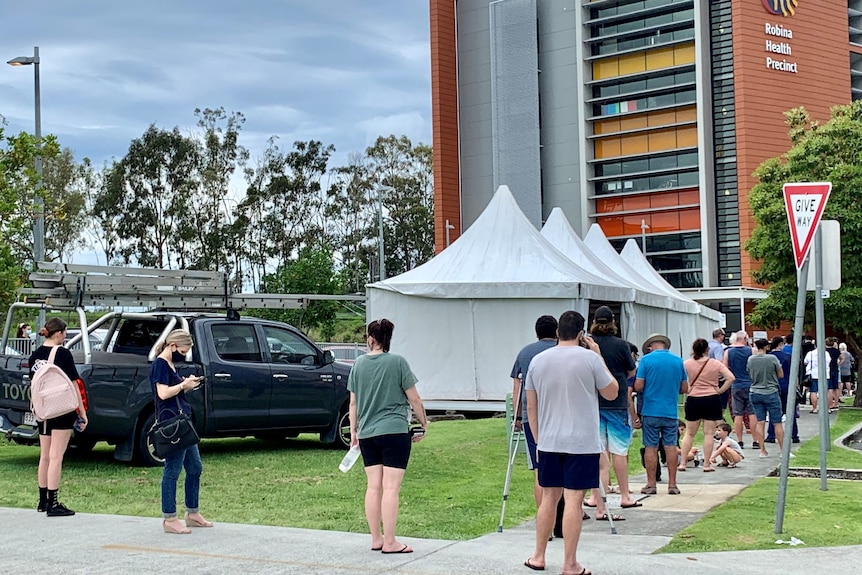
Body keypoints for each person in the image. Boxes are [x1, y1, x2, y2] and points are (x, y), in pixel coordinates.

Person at [523, 311, 617, 575]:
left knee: (548, 499)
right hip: (582, 441)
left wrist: (540, 439)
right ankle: (570, 563)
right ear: (581, 333)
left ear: (556, 333)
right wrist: (598, 354)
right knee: (574, 501)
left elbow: (532, 406)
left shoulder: (538, 361)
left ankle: (538, 555)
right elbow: (611, 393)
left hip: (549, 440)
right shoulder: (589, 359)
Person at [348, 319, 428, 554]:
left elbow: (353, 402)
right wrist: (424, 422)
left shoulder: (358, 365)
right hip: (394, 431)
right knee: (391, 487)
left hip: (367, 433)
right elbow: (414, 398)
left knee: (373, 487)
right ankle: (391, 541)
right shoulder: (398, 362)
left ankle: (376, 538)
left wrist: (354, 431)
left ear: (370, 338)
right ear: (388, 339)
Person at [151, 329, 211, 534]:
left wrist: (186, 385)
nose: (184, 355)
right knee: (173, 469)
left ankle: (192, 512)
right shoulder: (160, 364)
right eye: (183, 351)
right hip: (172, 425)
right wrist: (182, 385)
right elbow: (163, 393)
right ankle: (169, 518)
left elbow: (173, 389)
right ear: (173, 346)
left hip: (183, 422)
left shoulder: (170, 364)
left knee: (195, 466)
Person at [28, 317, 88, 517]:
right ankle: (54, 502)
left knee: (44, 456)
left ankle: (42, 500)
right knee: (56, 457)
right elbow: (73, 384)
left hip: (42, 409)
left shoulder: (35, 356)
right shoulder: (63, 354)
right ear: (59, 333)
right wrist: (82, 411)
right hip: (61, 409)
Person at [583, 306, 638, 519]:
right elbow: (631, 370)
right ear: (613, 322)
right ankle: (625, 495)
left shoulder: (586, 345)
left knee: (599, 453)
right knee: (619, 452)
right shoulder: (621, 345)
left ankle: (596, 496)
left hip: (593, 403)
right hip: (617, 402)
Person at [511, 315, 559, 514]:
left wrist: (517, 416)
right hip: (558, 414)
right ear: (557, 331)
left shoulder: (525, 353)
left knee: (540, 469)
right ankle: (565, 513)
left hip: (532, 416)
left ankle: (543, 515)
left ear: (536, 332)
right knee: (562, 466)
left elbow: (517, 387)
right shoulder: (563, 350)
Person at [634, 333, 688, 495]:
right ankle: (672, 485)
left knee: (650, 447)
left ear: (651, 347)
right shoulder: (678, 361)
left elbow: (638, 386)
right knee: (670, 446)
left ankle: (651, 484)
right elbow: (684, 388)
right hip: (670, 411)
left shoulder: (646, 360)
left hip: (650, 410)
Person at [680, 338, 734, 473]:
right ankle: (706, 465)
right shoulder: (715, 363)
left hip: (694, 398)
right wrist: (720, 390)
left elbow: (680, 379)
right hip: (711, 398)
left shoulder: (687, 363)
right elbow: (731, 377)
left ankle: (682, 463)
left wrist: (688, 389)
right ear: (707, 350)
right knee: (708, 433)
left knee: (689, 433)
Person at [747, 338, 785, 458]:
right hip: (770, 391)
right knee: (777, 422)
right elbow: (780, 374)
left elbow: (749, 372)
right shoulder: (772, 359)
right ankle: (783, 450)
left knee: (760, 421)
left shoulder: (751, 359)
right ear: (766, 347)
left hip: (755, 391)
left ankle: (762, 450)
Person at [724, 331, 757, 450]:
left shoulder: (728, 352)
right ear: (745, 338)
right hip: (750, 384)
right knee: (752, 413)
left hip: (736, 385)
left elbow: (725, 367)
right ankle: (755, 440)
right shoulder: (751, 351)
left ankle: (740, 440)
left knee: (738, 414)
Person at [766, 336, 799, 444]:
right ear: (780, 344)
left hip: (773, 386)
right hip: (787, 386)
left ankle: (771, 434)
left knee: (773, 411)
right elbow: (794, 372)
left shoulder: (768, 357)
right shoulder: (788, 356)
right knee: (791, 412)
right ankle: (794, 435)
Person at [803, 342, 821, 414]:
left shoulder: (810, 353)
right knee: (825, 392)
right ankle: (827, 408)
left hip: (812, 374)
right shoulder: (826, 353)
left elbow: (805, 362)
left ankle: (814, 408)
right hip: (824, 375)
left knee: (813, 391)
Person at [825, 337, 841, 412]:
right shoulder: (836, 351)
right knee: (836, 387)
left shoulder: (825, 351)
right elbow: (842, 358)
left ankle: (830, 404)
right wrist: (839, 364)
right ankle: (836, 403)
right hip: (835, 368)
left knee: (830, 388)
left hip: (828, 369)